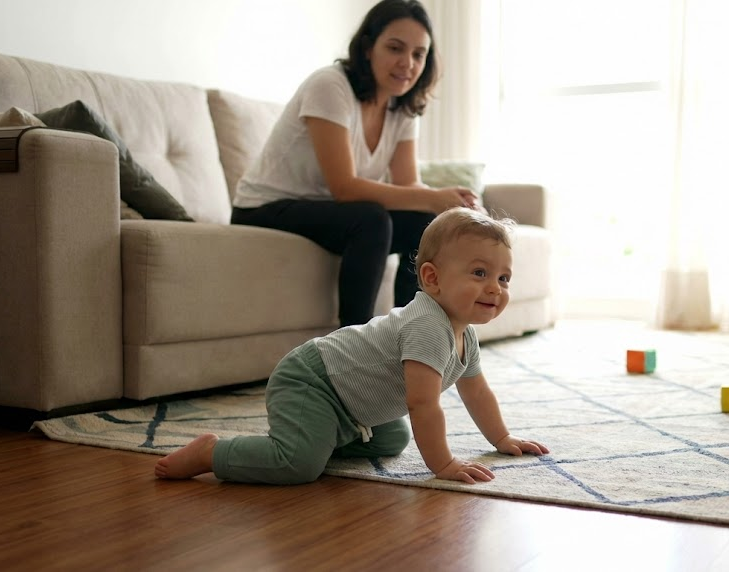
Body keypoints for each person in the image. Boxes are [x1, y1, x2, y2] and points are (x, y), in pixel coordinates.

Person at [155, 207, 550, 485]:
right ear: (432, 278)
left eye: (504, 278)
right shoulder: (428, 326)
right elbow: (422, 404)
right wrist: (442, 463)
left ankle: (322, 436)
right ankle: (213, 453)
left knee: (394, 438)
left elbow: (476, 391)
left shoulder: (464, 333)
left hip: (349, 404)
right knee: (297, 466)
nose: (495, 288)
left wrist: (501, 439)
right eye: (480, 273)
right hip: (313, 381)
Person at [231, 0, 480, 327]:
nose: (407, 63)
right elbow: (345, 188)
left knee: (423, 222)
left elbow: (408, 185)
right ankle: (353, 345)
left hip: (330, 212)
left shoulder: (402, 106)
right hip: (264, 208)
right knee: (371, 219)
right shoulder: (330, 85)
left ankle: (415, 340)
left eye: (419, 54)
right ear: (367, 48)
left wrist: (450, 206)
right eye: (395, 48)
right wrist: (433, 197)